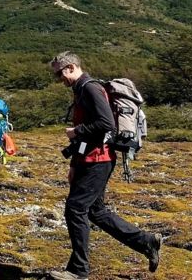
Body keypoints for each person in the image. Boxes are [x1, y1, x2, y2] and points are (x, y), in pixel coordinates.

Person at [48, 52, 162, 280]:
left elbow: (106, 123)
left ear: (70, 67)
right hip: (88, 160)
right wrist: (74, 164)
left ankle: (78, 271)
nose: (60, 79)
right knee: (96, 212)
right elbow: (88, 134)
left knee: (75, 209)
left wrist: (76, 131)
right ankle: (146, 242)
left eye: (60, 74)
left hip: (98, 161)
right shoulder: (81, 89)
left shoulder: (90, 88)